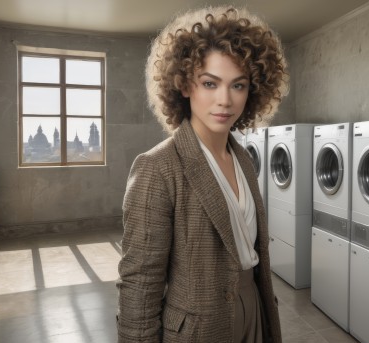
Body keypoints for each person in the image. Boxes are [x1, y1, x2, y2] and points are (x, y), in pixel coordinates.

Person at [117, 6, 289, 343]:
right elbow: (139, 286)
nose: (224, 100)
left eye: (238, 85)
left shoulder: (243, 160)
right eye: (210, 83)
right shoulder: (157, 167)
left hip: (254, 310)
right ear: (183, 85)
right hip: (199, 330)